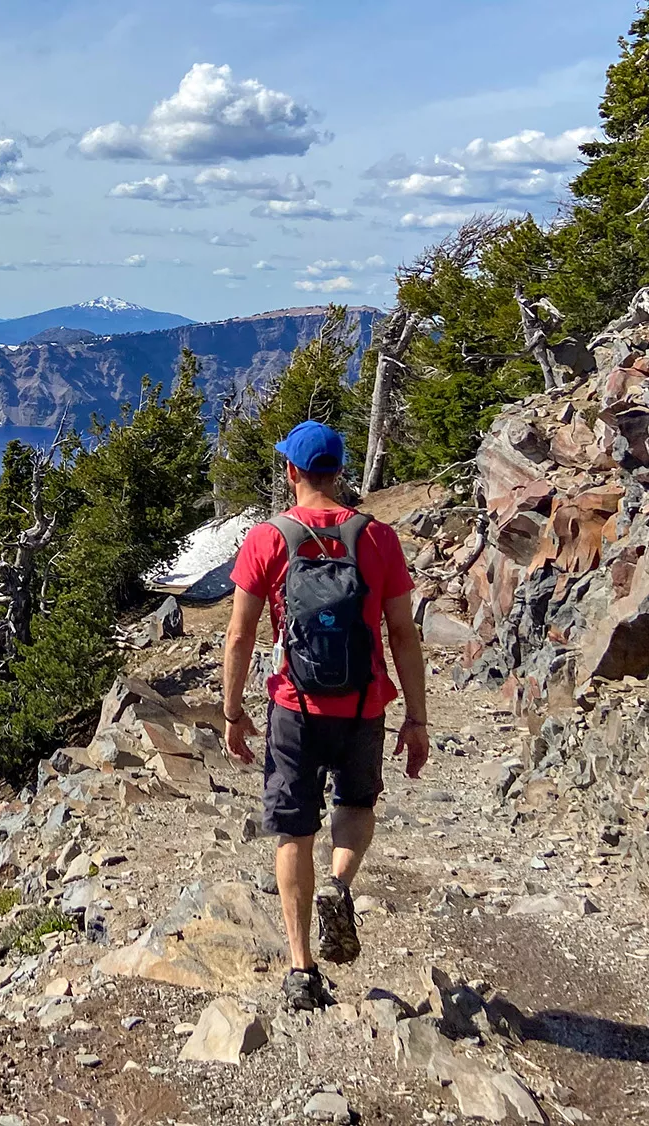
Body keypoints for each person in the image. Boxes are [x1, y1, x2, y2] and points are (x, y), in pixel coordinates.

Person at [221, 420, 430, 1011]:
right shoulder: (378, 538)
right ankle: (338, 886)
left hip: (295, 706)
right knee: (356, 805)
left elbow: (239, 636)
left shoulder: (268, 539)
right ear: (338, 471)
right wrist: (416, 718)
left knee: (293, 829)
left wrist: (233, 713)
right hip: (365, 703)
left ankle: (301, 969)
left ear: (291, 471)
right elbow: (404, 635)